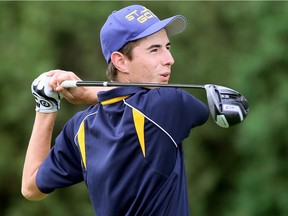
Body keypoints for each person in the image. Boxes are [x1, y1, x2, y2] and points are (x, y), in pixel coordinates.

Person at [21, 4, 209, 216]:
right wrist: (91, 95)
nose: (169, 59)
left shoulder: (81, 128)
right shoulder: (166, 104)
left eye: (168, 47)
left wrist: (46, 106)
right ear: (120, 61)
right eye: (154, 50)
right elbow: (207, 111)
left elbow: (30, 188)